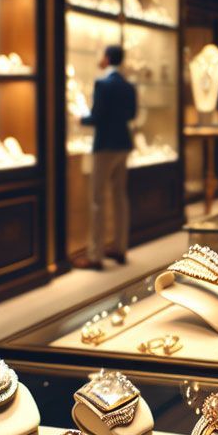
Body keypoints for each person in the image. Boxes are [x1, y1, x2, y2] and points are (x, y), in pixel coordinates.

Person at [74, 44, 137, 270]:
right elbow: (132, 114)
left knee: (97, 200)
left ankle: (95, 255)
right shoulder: (129, 86)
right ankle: (120, 248)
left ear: (107, 58)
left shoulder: (102, 84)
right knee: (120, 197)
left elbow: (97, 117)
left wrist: (80, 119)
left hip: (105, 146)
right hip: (124, 144)